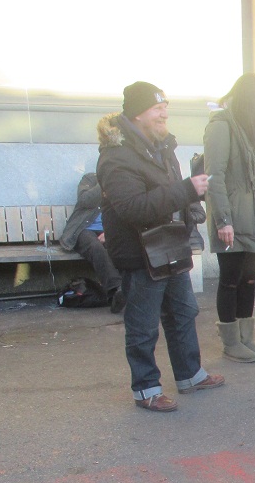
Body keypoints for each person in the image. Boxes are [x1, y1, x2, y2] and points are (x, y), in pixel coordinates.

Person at [96, 82, 224, 412]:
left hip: (170, 245)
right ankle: (146, 388)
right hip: (140, 254)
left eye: (165, 106)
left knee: (183, 312)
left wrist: (191, 201)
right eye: (157, 108)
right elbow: (134, 208)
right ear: (138, 114)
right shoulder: (116, 158)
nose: (164, 113)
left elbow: (173, 194)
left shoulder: (161, 148)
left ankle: (190, 375)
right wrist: (186, 191)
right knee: (143, 325)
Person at [204, 73, 255, 363]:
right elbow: (214, 176)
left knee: (249, 280)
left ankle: (246, 337)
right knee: (231, 279)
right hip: (233, 218)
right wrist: (223, 220)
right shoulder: (222, 126)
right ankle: (231, 341)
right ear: (250, 96)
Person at [59, 172, 124, 312]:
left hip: (108, 231)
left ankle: (127, 292)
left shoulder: (123, 182)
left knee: (125, 247)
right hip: (82, 230)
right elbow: (85, 200)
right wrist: (105, 182)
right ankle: (116, 291)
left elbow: (125, 212)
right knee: (95, 247)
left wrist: (109, 233)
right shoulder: (89, 179)